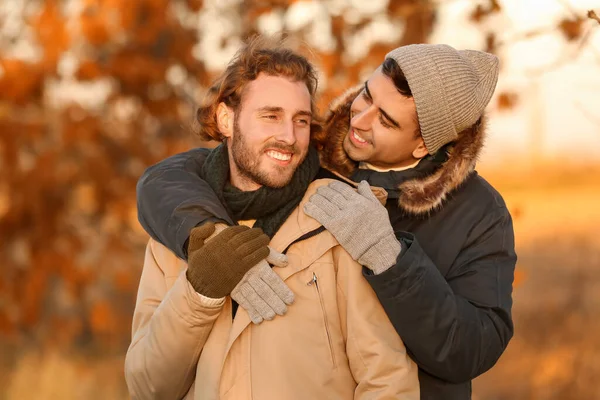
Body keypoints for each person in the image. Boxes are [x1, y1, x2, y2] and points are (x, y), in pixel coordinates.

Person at [136, 43, 517, 399]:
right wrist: (209, 242)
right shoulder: (308, 152)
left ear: (423, 146)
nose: (359, 119)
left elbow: (470, 348)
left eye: (384, 120)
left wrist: (391, 260)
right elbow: (167, 179)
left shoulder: (478, 212)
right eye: (366, 94)